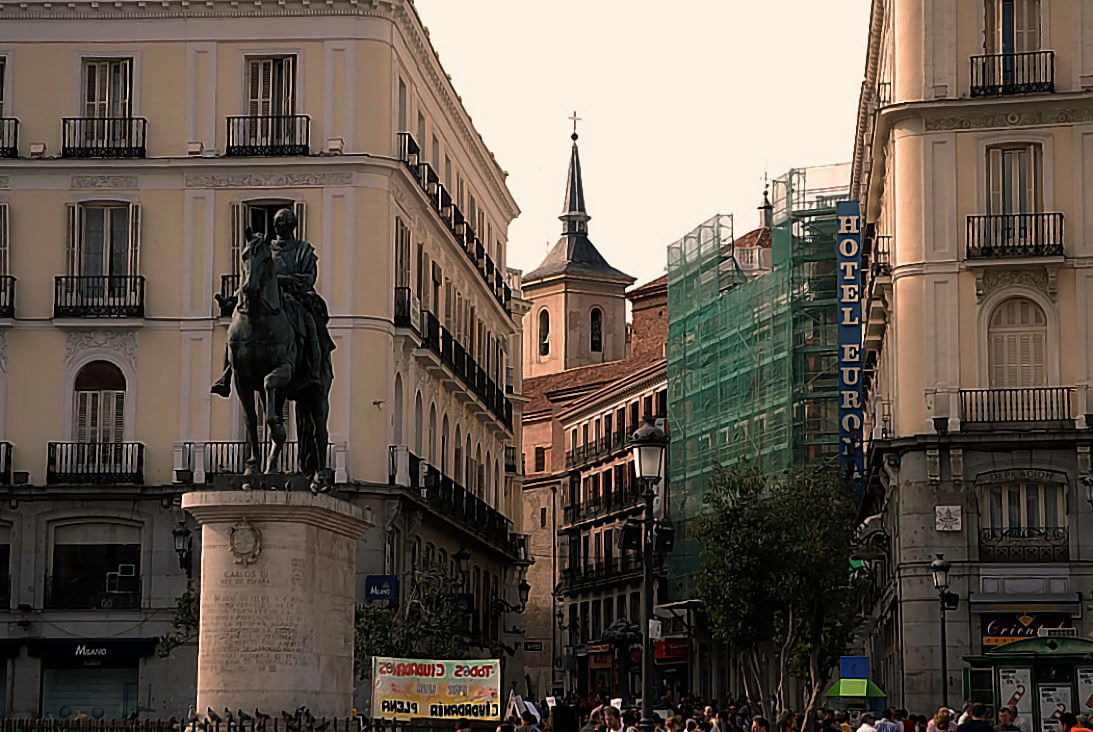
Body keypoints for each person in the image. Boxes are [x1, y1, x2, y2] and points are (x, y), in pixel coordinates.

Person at [212, 207, 335, 397]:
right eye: (277, 222)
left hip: (294, 298)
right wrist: (234, 298)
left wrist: (286, 280)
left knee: (311, 325)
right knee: (236, 330)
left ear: (292, 225)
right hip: (267, 299)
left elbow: (309, 278)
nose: (278, 226)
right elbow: (253, 276)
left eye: (282, 222)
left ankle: (315, 371)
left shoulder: (304, 251)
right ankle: (226, 375)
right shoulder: (266, 250)